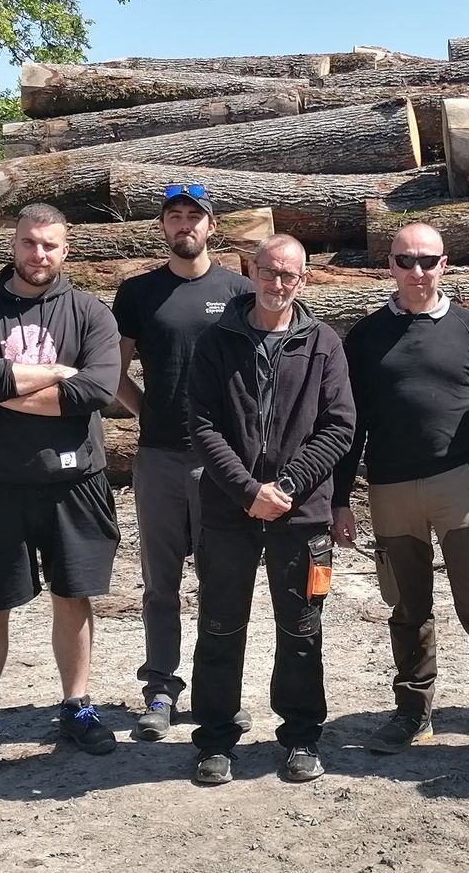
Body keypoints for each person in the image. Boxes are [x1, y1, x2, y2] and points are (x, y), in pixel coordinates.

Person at [332, 221, 469, 782]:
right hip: (389, 491)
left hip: (458, 488)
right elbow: (351, 425)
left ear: (444, 264)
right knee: (407, 609)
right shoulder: (366, 336)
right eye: (406, 260)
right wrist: (340, 499)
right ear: (390, 266)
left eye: (428, 260)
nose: (417, 270)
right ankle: (412, 711)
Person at [0, 202, 124, 770]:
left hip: (75, 481)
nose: (38, 254)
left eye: (49, 244)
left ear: (65, 249)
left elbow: (97, 390)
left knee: (74, 595)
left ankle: (77, 706)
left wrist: (8, 388)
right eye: (29, 242)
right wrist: (54, 374)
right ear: (13, 243)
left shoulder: (90, 313)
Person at [185, 233, 355, 785]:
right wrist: (247, 491)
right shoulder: (217, 341)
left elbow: (340, 426)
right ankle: (215, 738)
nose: (276, 283)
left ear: (303, 280)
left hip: (301, 514)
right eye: (268, 271)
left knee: (302, 628)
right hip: (228, 511)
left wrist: (286, 486)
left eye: (288, 275)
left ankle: (301, 736)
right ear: (251, 271)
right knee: (220, 624)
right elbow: (203, 425)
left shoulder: (323, 343)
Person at [111, 182, 251, 741]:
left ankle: (220, 694)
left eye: (195, 215)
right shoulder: (138, 293)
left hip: (225, 465)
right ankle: (161, 690)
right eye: (175, 215)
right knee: (160, 583)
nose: (185, 223)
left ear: (212, 226)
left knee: (223, 583)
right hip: (160, 459)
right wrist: (150, 412)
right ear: (163, 226)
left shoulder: (239, 291)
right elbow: (114, 372)